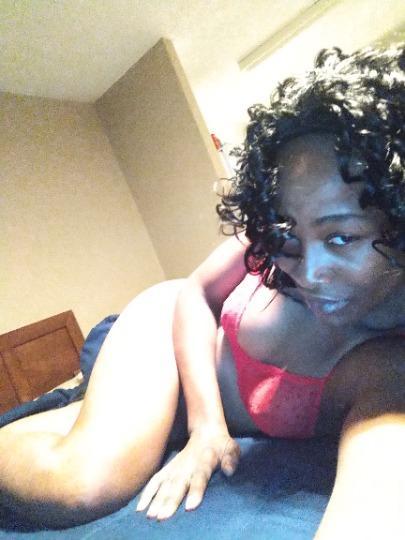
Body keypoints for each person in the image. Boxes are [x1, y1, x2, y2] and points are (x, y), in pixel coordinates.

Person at [1, 43, 404, 539]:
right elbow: (193, 293)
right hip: (166, 337)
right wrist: (207, 427)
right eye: (287, 235)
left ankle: (83, 409)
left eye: (342, 237)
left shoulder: (392, 368)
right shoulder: (268, 241)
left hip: (175, 401)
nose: (309, 271)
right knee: (84, 486)